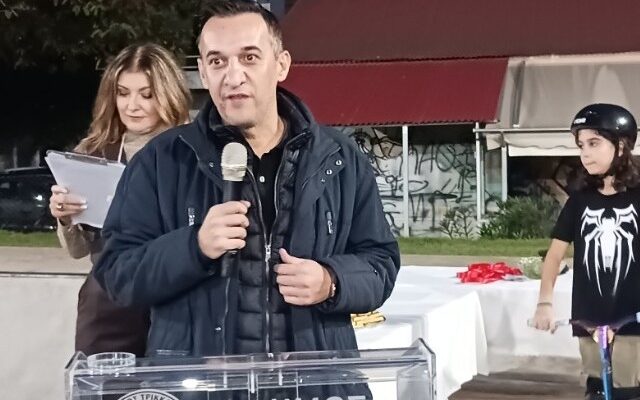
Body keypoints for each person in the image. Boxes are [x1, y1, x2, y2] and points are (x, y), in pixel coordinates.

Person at [94, 0, 399, 394]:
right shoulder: (161, 161)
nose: (232, 75)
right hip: (201, 388)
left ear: (281, 65)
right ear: (203, 70)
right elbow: (117, 273)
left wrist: (332, 281)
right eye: (217, 61)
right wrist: (194, 247)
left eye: (249, 58)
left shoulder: (339, 159)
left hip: (315, 386)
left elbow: (380, 263)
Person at [531, 104, 640, 400]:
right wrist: (544, 303)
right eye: (581, 145)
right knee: (597, 390)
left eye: (594, 143)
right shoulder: (580, 199)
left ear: (621, 146)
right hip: (589, 318)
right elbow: (554, 255)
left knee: (629, 391)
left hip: (635, 317)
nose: (585, 153)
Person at [49, 43, 191, 357]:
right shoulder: (92, 152)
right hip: (107, 305)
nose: (132, 105)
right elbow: (77, 251)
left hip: (176, 301)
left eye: (146, 94)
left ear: (169, 94)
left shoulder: (194, 151)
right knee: (103, 382)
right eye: (123, 93)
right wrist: (65, 217)